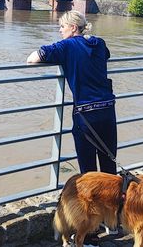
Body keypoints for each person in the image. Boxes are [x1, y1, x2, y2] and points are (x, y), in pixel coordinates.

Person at [27, 10, 117, 174]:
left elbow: (33, 58)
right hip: (107, 109)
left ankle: (93, 199)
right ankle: (113, 198)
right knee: (109, 164)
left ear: (73, 27)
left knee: (88, 170)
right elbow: (106, 55)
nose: (60, 30)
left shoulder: (66, 46)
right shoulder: (99, 43)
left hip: (85, 114)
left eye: (62, 26)